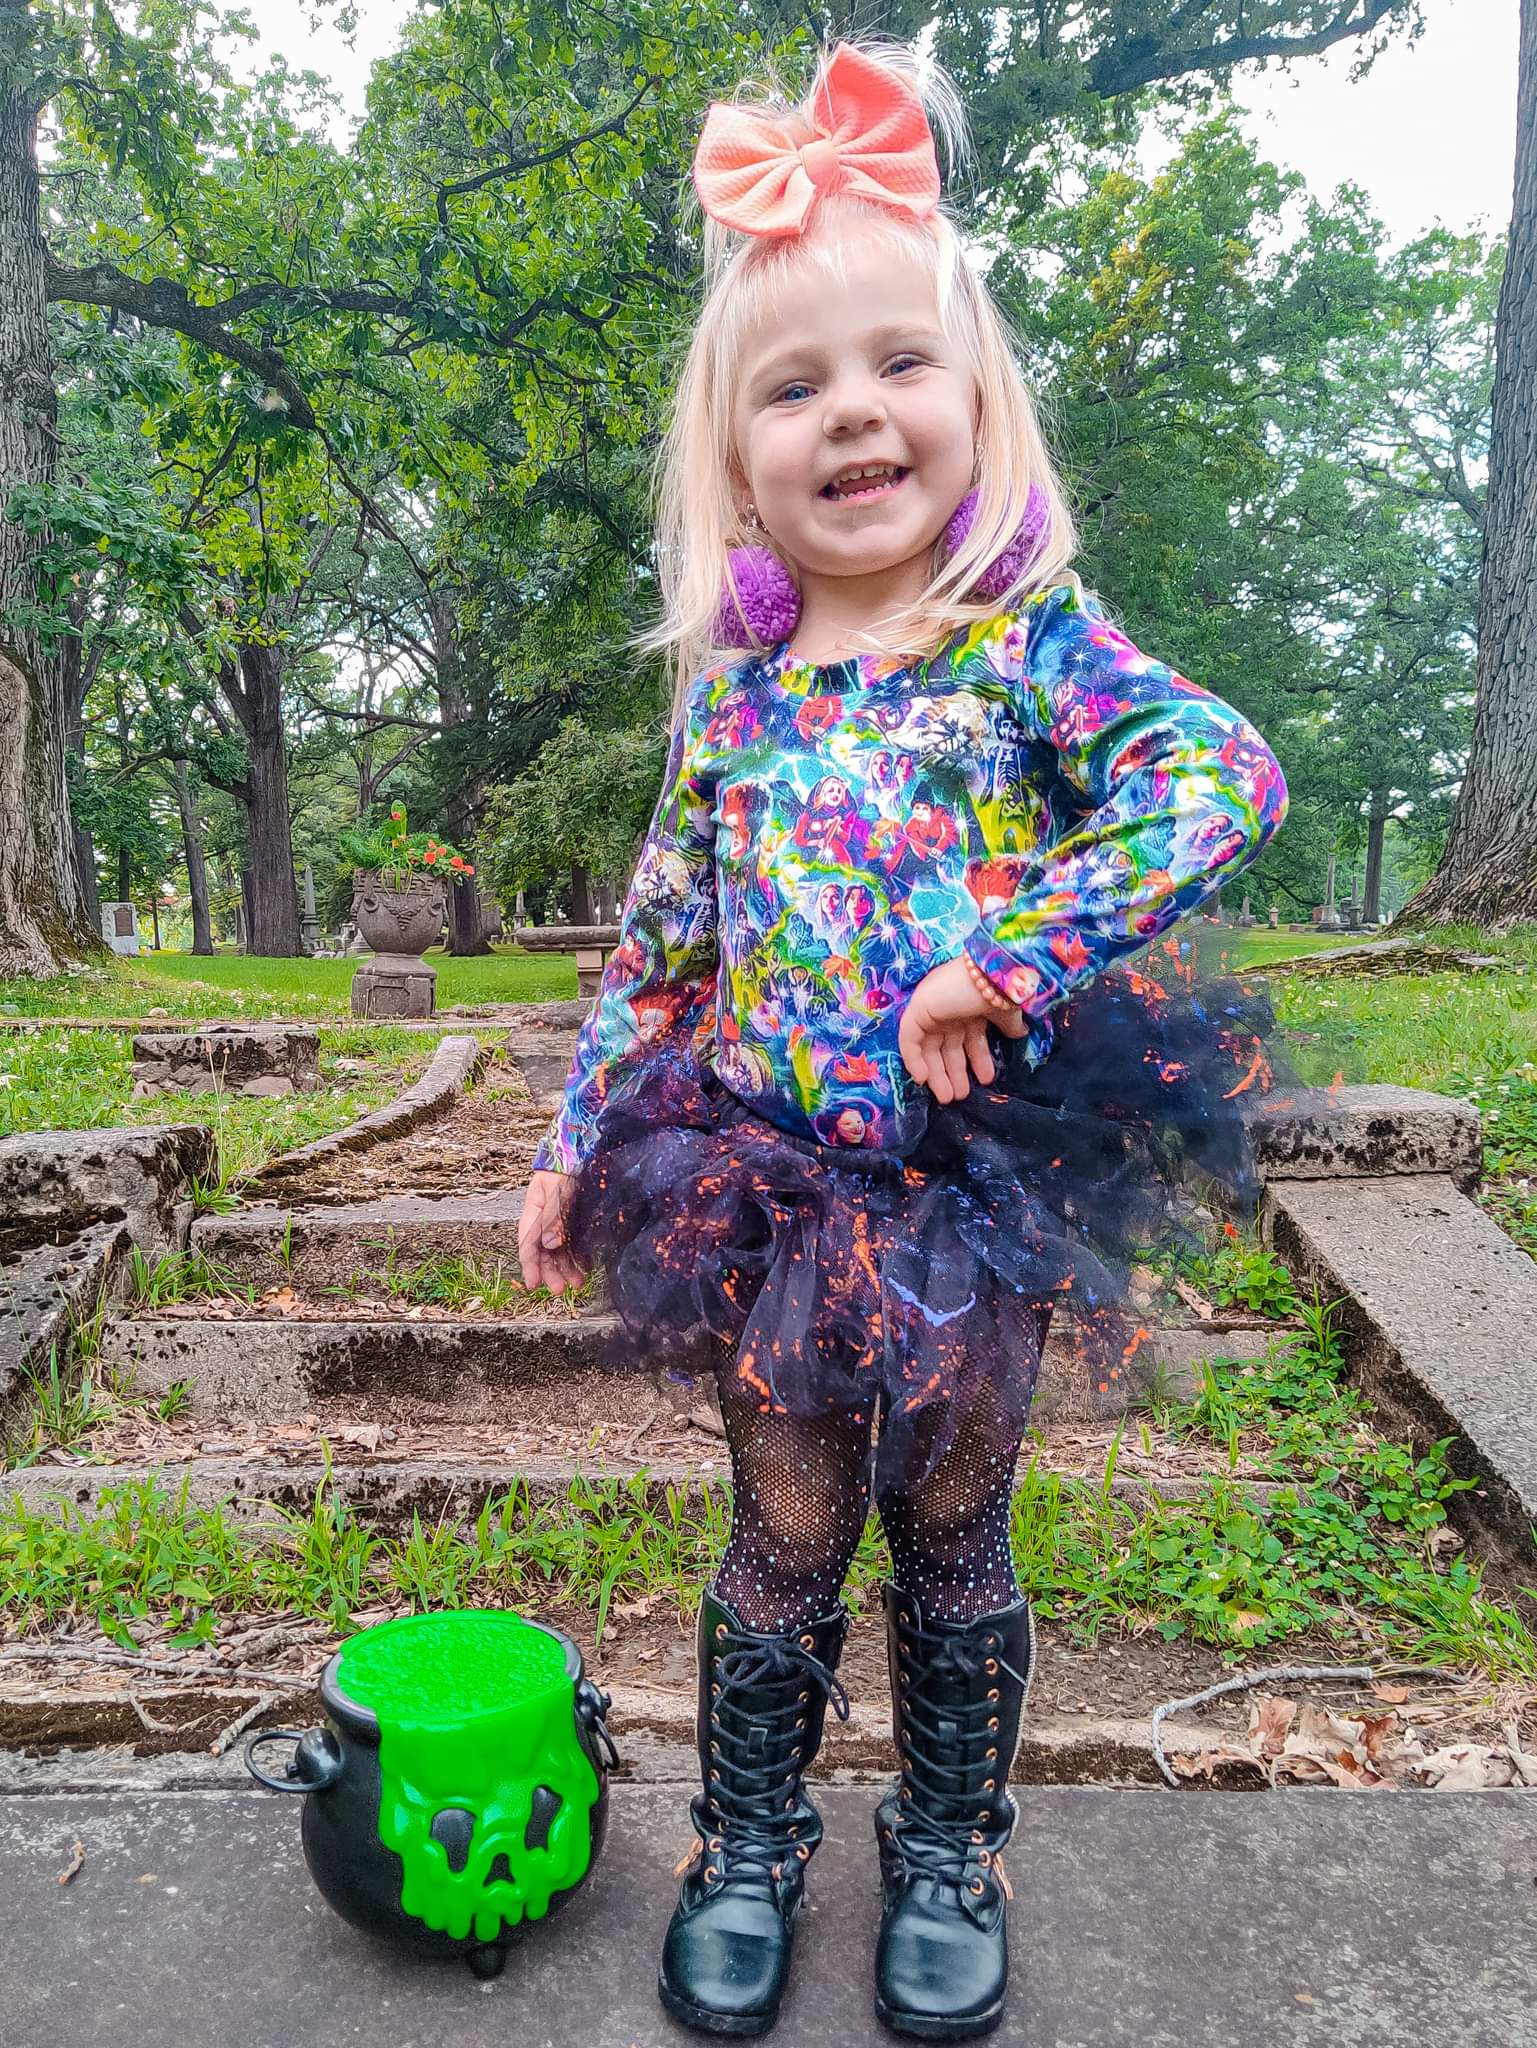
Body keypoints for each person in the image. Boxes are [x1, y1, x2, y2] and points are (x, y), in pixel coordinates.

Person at [518, 38, 1287, 2042]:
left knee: (951, 1516)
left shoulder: (1028, 640)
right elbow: (658, 946)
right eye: (794, 386)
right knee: (784, 1521)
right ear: (739, 455)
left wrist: (1008, 957)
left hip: (972, 1183)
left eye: (894, 368)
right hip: (761, 1188)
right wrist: (569, 1140)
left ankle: (949, 1837)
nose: (851, 410)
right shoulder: (737, 695)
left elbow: (1220, 776)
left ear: (969, 405)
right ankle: (750, 1834)